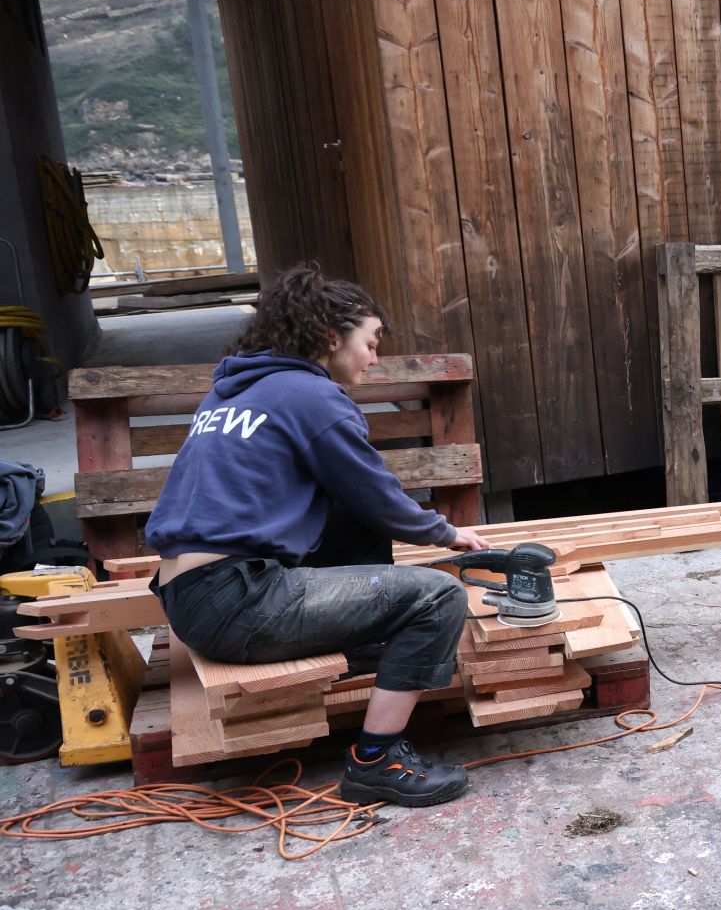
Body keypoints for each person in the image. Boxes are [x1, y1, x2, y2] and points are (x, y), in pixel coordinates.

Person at [145, 264, 489, 806]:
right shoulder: (312, 397)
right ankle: (378, 761)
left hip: (189, 594)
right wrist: (448, 535)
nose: (375, 357)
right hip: (238, 602)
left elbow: (355, 505)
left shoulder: (235, 393)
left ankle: (373, 645)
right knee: (437, 596)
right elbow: (377, 492)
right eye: (371, 342)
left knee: (347, 516)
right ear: (332, 337)